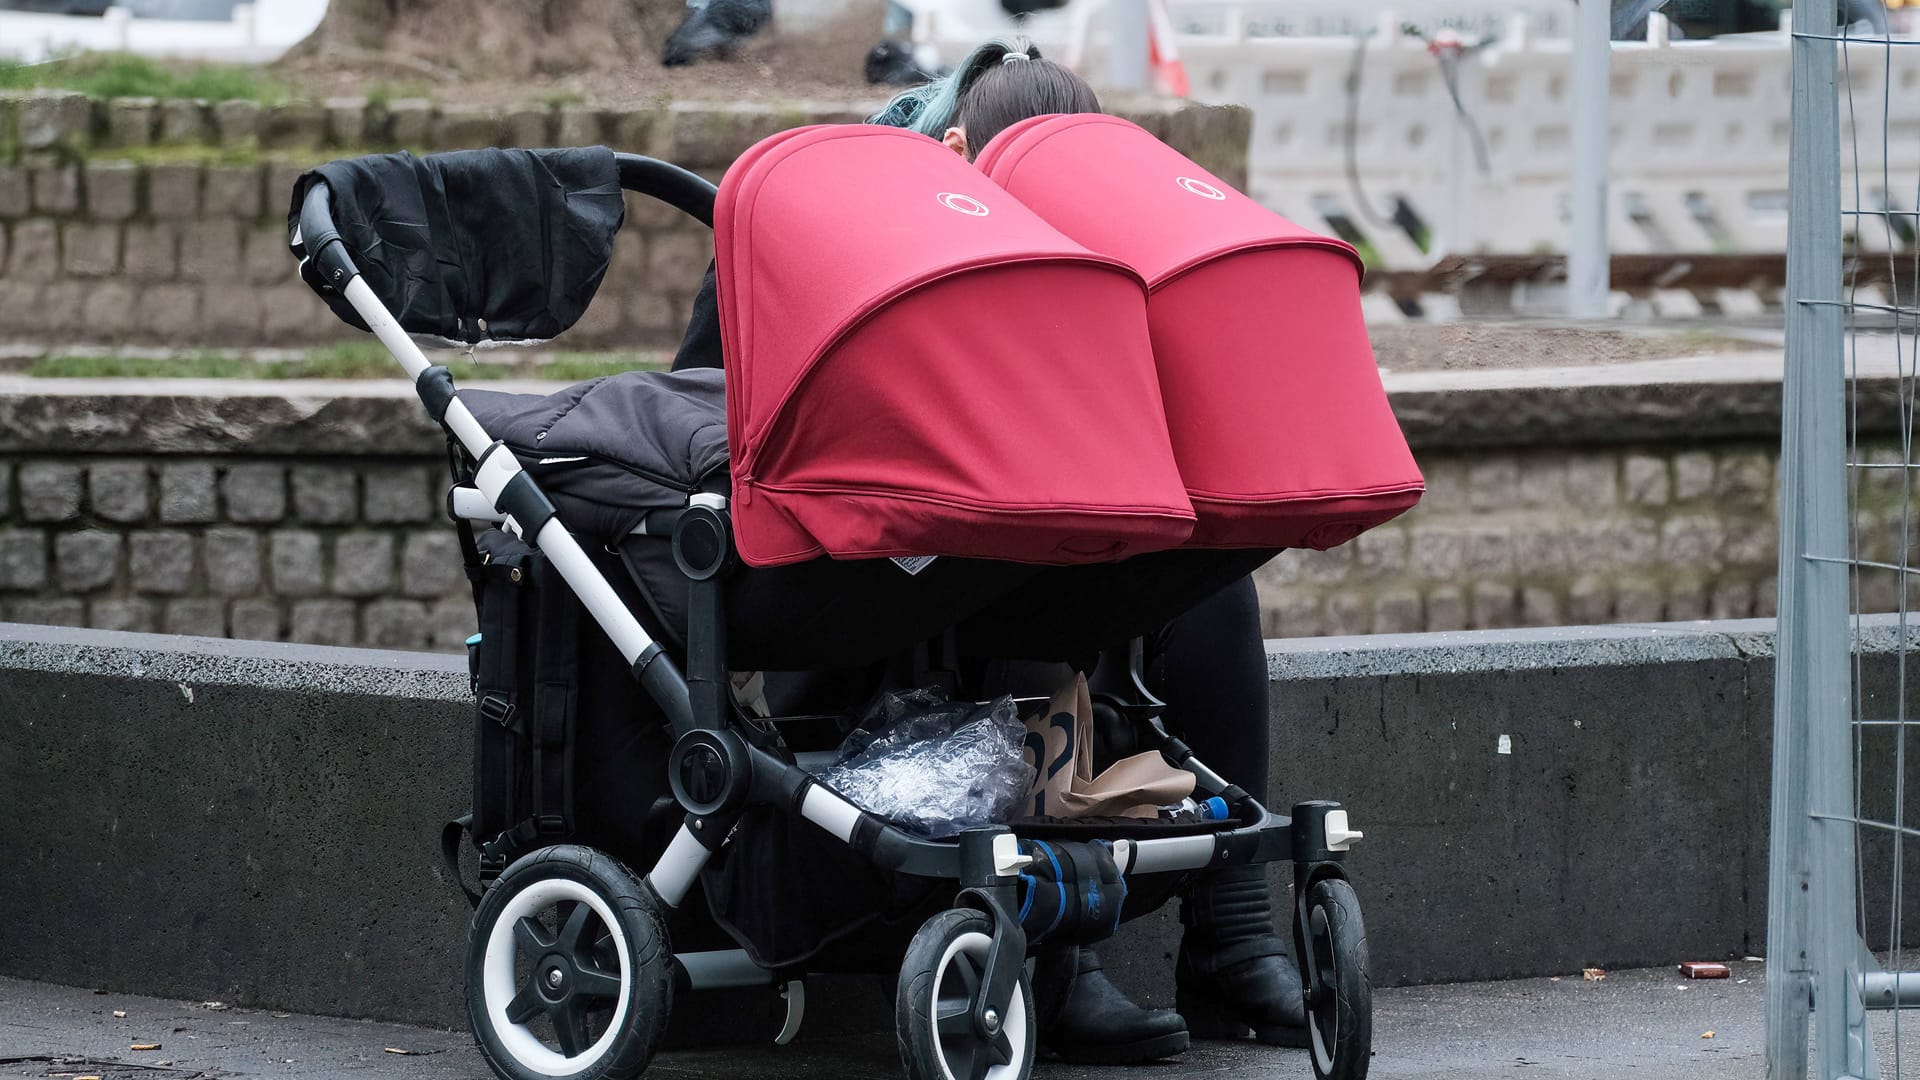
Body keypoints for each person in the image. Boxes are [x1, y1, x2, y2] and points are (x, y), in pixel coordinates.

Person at [670, 37, 1307, 1064]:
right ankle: (1056, 955)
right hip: (835, 597)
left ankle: (1230, 939)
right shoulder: (810, 222)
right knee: (1008, 558)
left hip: (989, 569)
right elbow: (696, 422)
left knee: (1208, 587)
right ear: (956, 152)